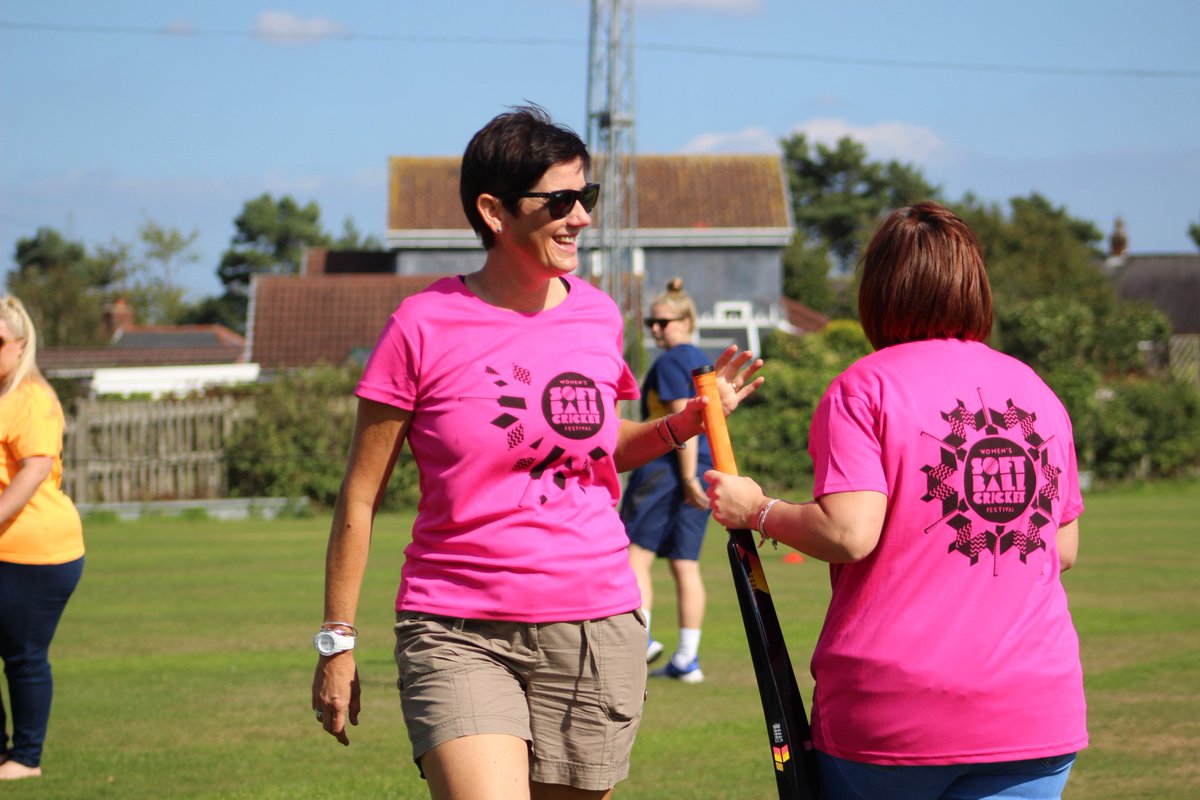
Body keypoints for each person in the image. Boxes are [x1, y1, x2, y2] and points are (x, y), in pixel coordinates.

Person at [310, 104, 763, 800]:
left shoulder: (598, 315)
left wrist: (684, 425)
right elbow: (360, 494)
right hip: (457, 627)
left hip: (594, 627)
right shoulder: (422, 325)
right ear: (493, 211)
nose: (581, 216)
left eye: (587, 196)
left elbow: (602, 444)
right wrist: (337, 640)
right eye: (559, 200)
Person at [705, 202, 1087, 800]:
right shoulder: (1035, 390)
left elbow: (849, 533)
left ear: (878, 291)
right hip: (1034, 709)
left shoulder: (865, 387)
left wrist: (757, 510)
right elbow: (1061, 548)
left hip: (896, 714)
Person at [0, 295, 85, 781]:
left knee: (24, 655)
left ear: (21, 343)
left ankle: (26, 758)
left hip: (37, 554)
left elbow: (32, 472)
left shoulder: (31, 398)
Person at [620, 278, 713, 683]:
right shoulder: (702, 359)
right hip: (704, 465)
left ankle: (641, 641)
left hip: (666, 465)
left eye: (664, 322)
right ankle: (687, 659)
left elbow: (682, 419)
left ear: (687, 321)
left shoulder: (672, 360)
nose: (656, 330)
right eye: (651, 323)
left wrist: (687, 475)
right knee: (684, 562)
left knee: (635, 553)